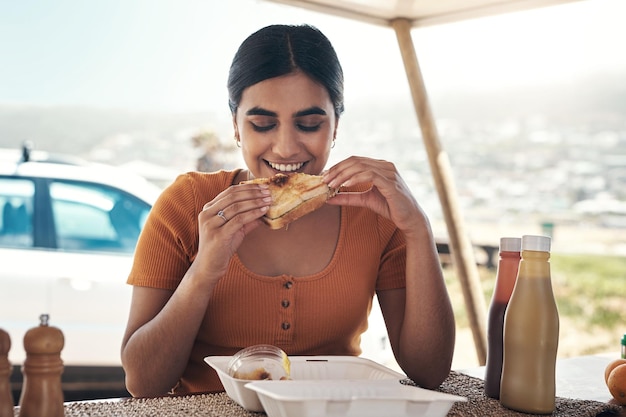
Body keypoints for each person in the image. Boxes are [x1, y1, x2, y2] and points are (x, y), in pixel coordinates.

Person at [121, 23, 455, 397]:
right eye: (262, 124)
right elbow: (143, 383)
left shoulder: (374, 210)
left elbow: (429, 371)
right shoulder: (186, 203)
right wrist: (204, 271)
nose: (285, 148)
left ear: (336, 126)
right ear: (235, 126)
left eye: (309, 124)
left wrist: (418, 229)